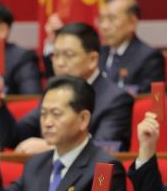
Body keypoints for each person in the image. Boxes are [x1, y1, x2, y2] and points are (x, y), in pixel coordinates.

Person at [0, 75, 127, 191]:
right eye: (43, 114)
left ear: (83, 119)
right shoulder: (36, 163)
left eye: (56, 114)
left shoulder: (103, 169)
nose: (47, 123)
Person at [11, 23, 133, 152]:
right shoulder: (54, 93)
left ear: (92, 59)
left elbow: (106, 149)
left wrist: (51, 149)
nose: (59, 63)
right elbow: (15, 135)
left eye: (68, 55)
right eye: (55, 55)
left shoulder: (116, 99)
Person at [96, 0, 165, 94]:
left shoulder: (149, 57)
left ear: (132, 22)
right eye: (101, 19)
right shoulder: (97, 53)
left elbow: (148, 97)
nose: (104, 26)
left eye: (112, 19)